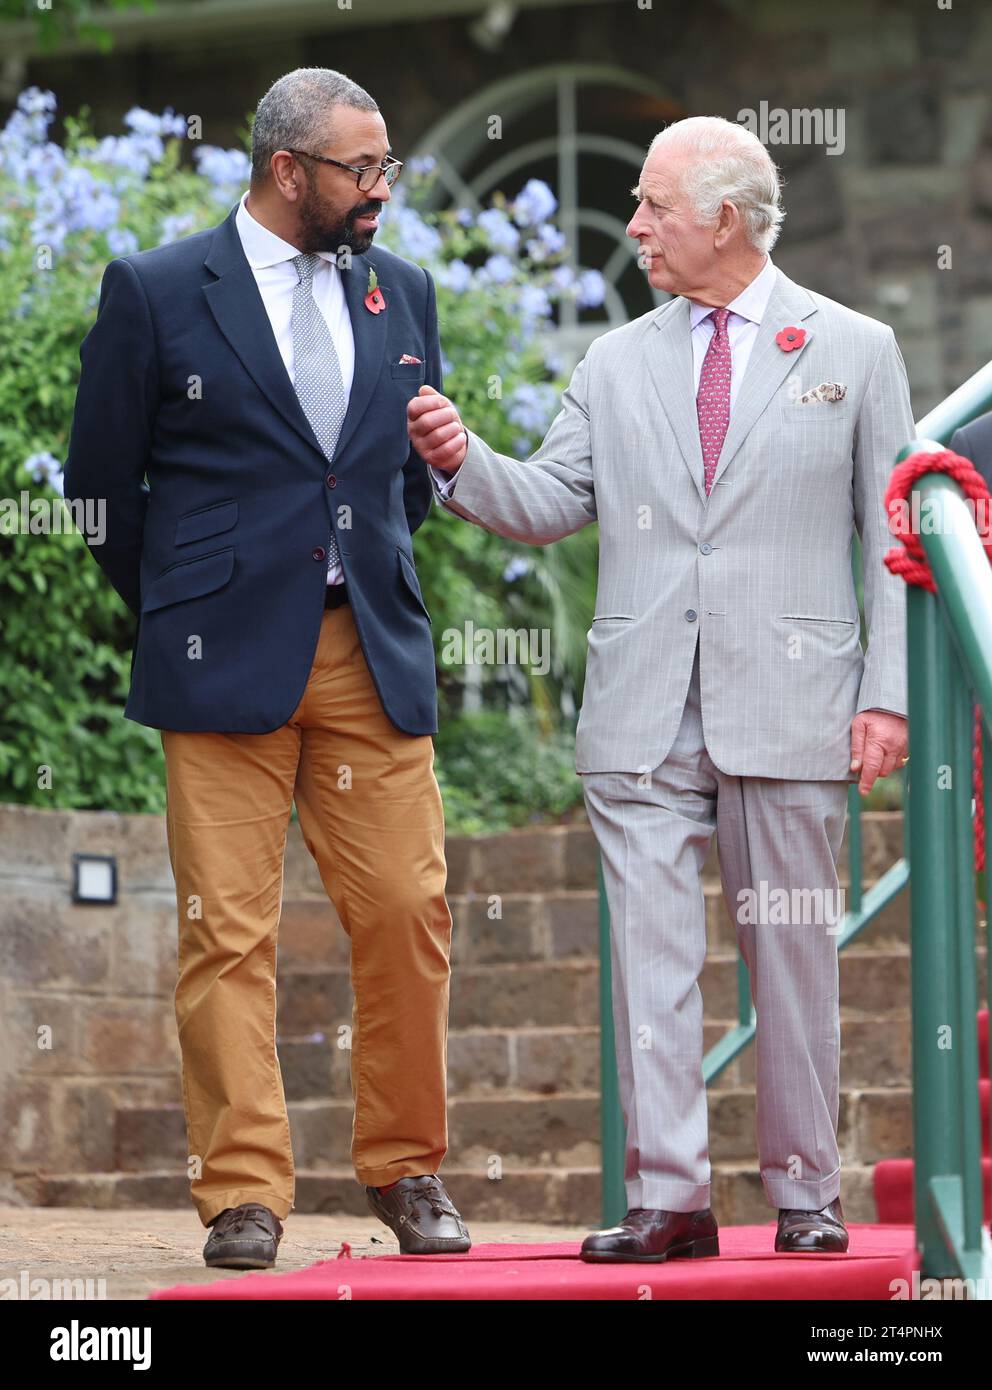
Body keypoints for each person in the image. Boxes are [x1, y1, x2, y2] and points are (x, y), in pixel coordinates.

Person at [411, 115, 912, 1262]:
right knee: (648, 959)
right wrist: (457, 456)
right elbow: (544, 501)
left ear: (722, 219)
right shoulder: (612, 360)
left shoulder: (855, 349)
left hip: (792, 705)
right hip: (639, 710)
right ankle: (668, 1199)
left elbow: (890, 541)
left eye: (651, 207)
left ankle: (803, 1193)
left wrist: (882, 699)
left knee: (789, 957)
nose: (632, 226)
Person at [64, 66, 470, 1269]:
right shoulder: (154, 289)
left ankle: (407, 1171)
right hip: (217, 659)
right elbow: (99, 489)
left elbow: (397, 480)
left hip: (367, 652)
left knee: (407, 910)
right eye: (362, 167)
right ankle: (242, 1194)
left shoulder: (402, 291)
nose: (380, 189)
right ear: (287, 170)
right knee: (226, 934)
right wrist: (182, 604)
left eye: (387, 164)